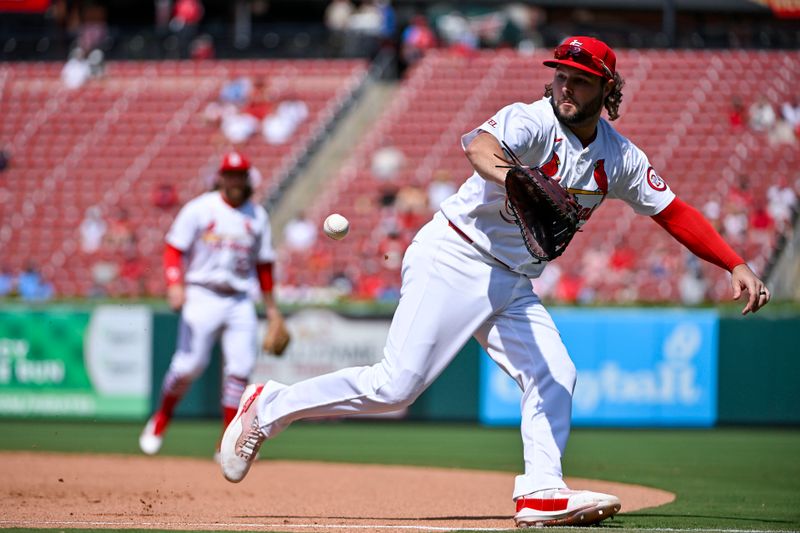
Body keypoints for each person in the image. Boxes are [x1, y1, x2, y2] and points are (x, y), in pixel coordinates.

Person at [218, 36, 771, 527]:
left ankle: (540, 492)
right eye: (560, 74)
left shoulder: (619, 158)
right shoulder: (532, 121)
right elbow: (479, 147)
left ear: (607, 89)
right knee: (395, 387)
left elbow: (672, 211)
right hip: (455, 255)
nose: (565, 86)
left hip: (512, 281)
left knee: (555, 373)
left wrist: (735, 263)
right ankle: (268, 406)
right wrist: (515, 176)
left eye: (580, 79)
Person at [139, 151, 288, 458]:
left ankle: (227, 443)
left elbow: (264, 266)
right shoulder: (200, 209)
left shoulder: (257, 216)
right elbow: (173, 248)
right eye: (230, 174)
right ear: (221, 177)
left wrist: (272, 309)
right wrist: (175, 284)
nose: (234, 179)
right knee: (189, 366)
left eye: (240, 174)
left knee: (241, 369)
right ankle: (161, 419)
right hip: (202, 293)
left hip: (238, 299)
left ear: (247, 178)